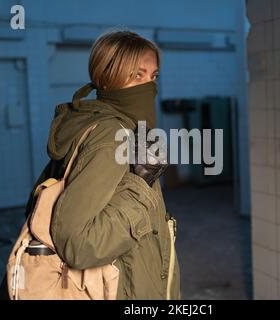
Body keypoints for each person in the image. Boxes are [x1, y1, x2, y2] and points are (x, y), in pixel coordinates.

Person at [20, 30, 181, 300]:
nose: (148, 86)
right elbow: (79, 245)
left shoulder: (102, 123)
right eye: (137, 75)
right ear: (106, 77)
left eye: (153, 76)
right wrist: (141, 185)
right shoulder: (111, 135)